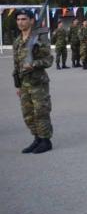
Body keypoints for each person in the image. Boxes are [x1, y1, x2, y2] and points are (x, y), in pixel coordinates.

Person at [13, 9, 54, 154]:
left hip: (38, 83)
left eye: (24, 19)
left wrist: (34, 64)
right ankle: (37, 138)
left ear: (31, 21)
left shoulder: (39, 38)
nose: (20, 22)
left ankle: (46, 141)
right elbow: (16, 65)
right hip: (24, 84)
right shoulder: (17, 41)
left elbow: (49, 60)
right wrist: (18, 84)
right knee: (28, 114)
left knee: (41, 112)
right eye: (18, 19)